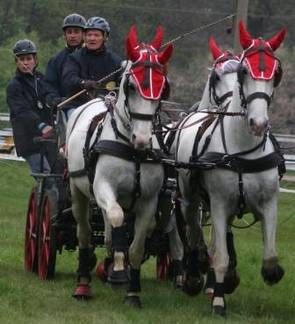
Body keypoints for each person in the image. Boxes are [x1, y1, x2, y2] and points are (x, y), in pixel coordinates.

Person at [6, 39, 55, 174]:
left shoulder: (42, 79)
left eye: (28, 58)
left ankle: (42, 195)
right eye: (21, 59)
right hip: (29, 140)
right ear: (16, 62)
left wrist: (55, 101)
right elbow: (22, 112)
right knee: (45, 174)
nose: (25, 62)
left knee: (59, 175)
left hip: (49, 139)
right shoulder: (14, 86)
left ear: (35, 60)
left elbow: (49, 95)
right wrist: (42, 126)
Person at [62, 16, 122, 110]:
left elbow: (121, 85)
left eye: (96, 35)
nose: (92, 38)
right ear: (84, 37)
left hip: (107, 107)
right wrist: (83, 83)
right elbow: (68, 78)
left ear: (105, 37)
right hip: (77, 107)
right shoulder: (74, 58)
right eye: (89, 35)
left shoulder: (116, 61)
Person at [45, 13, 86, 109]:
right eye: (69, 32)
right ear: (64, 35)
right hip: (66, 109)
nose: (72, 35)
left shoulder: (92, 57)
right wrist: (55, 99)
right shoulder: (55, 60)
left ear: (84, 34)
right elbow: (49, 87)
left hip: (91, 107)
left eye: (76, 32)